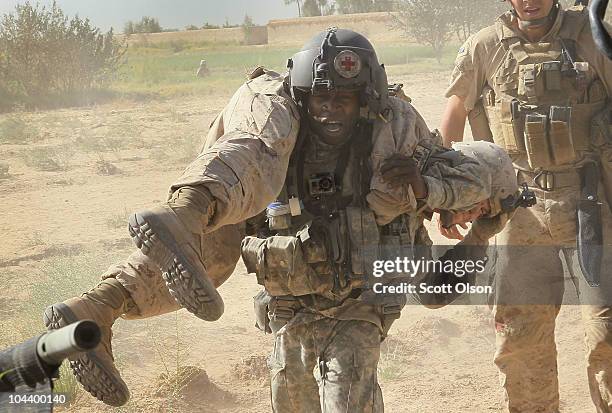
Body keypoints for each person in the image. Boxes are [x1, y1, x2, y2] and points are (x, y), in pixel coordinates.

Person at [44, 28, 498, 410]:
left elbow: (439, 274)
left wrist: (457, 212)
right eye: (321, 96)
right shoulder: (275, 141)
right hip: (290, 308)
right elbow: (245, 154)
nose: (331, 108)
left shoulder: (398, 153)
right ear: (302, 95)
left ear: (366, 98)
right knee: (212, 245)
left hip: (358, 314)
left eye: (344, 98)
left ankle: (108, 296)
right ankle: (100, 304)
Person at [439, 1, 612, 411]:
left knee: (608, 331)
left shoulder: (592, 36)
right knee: (520, 334)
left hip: (589, 203)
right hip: (519, 208)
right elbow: (455, 111)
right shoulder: (485, 46)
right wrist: (449, 194)